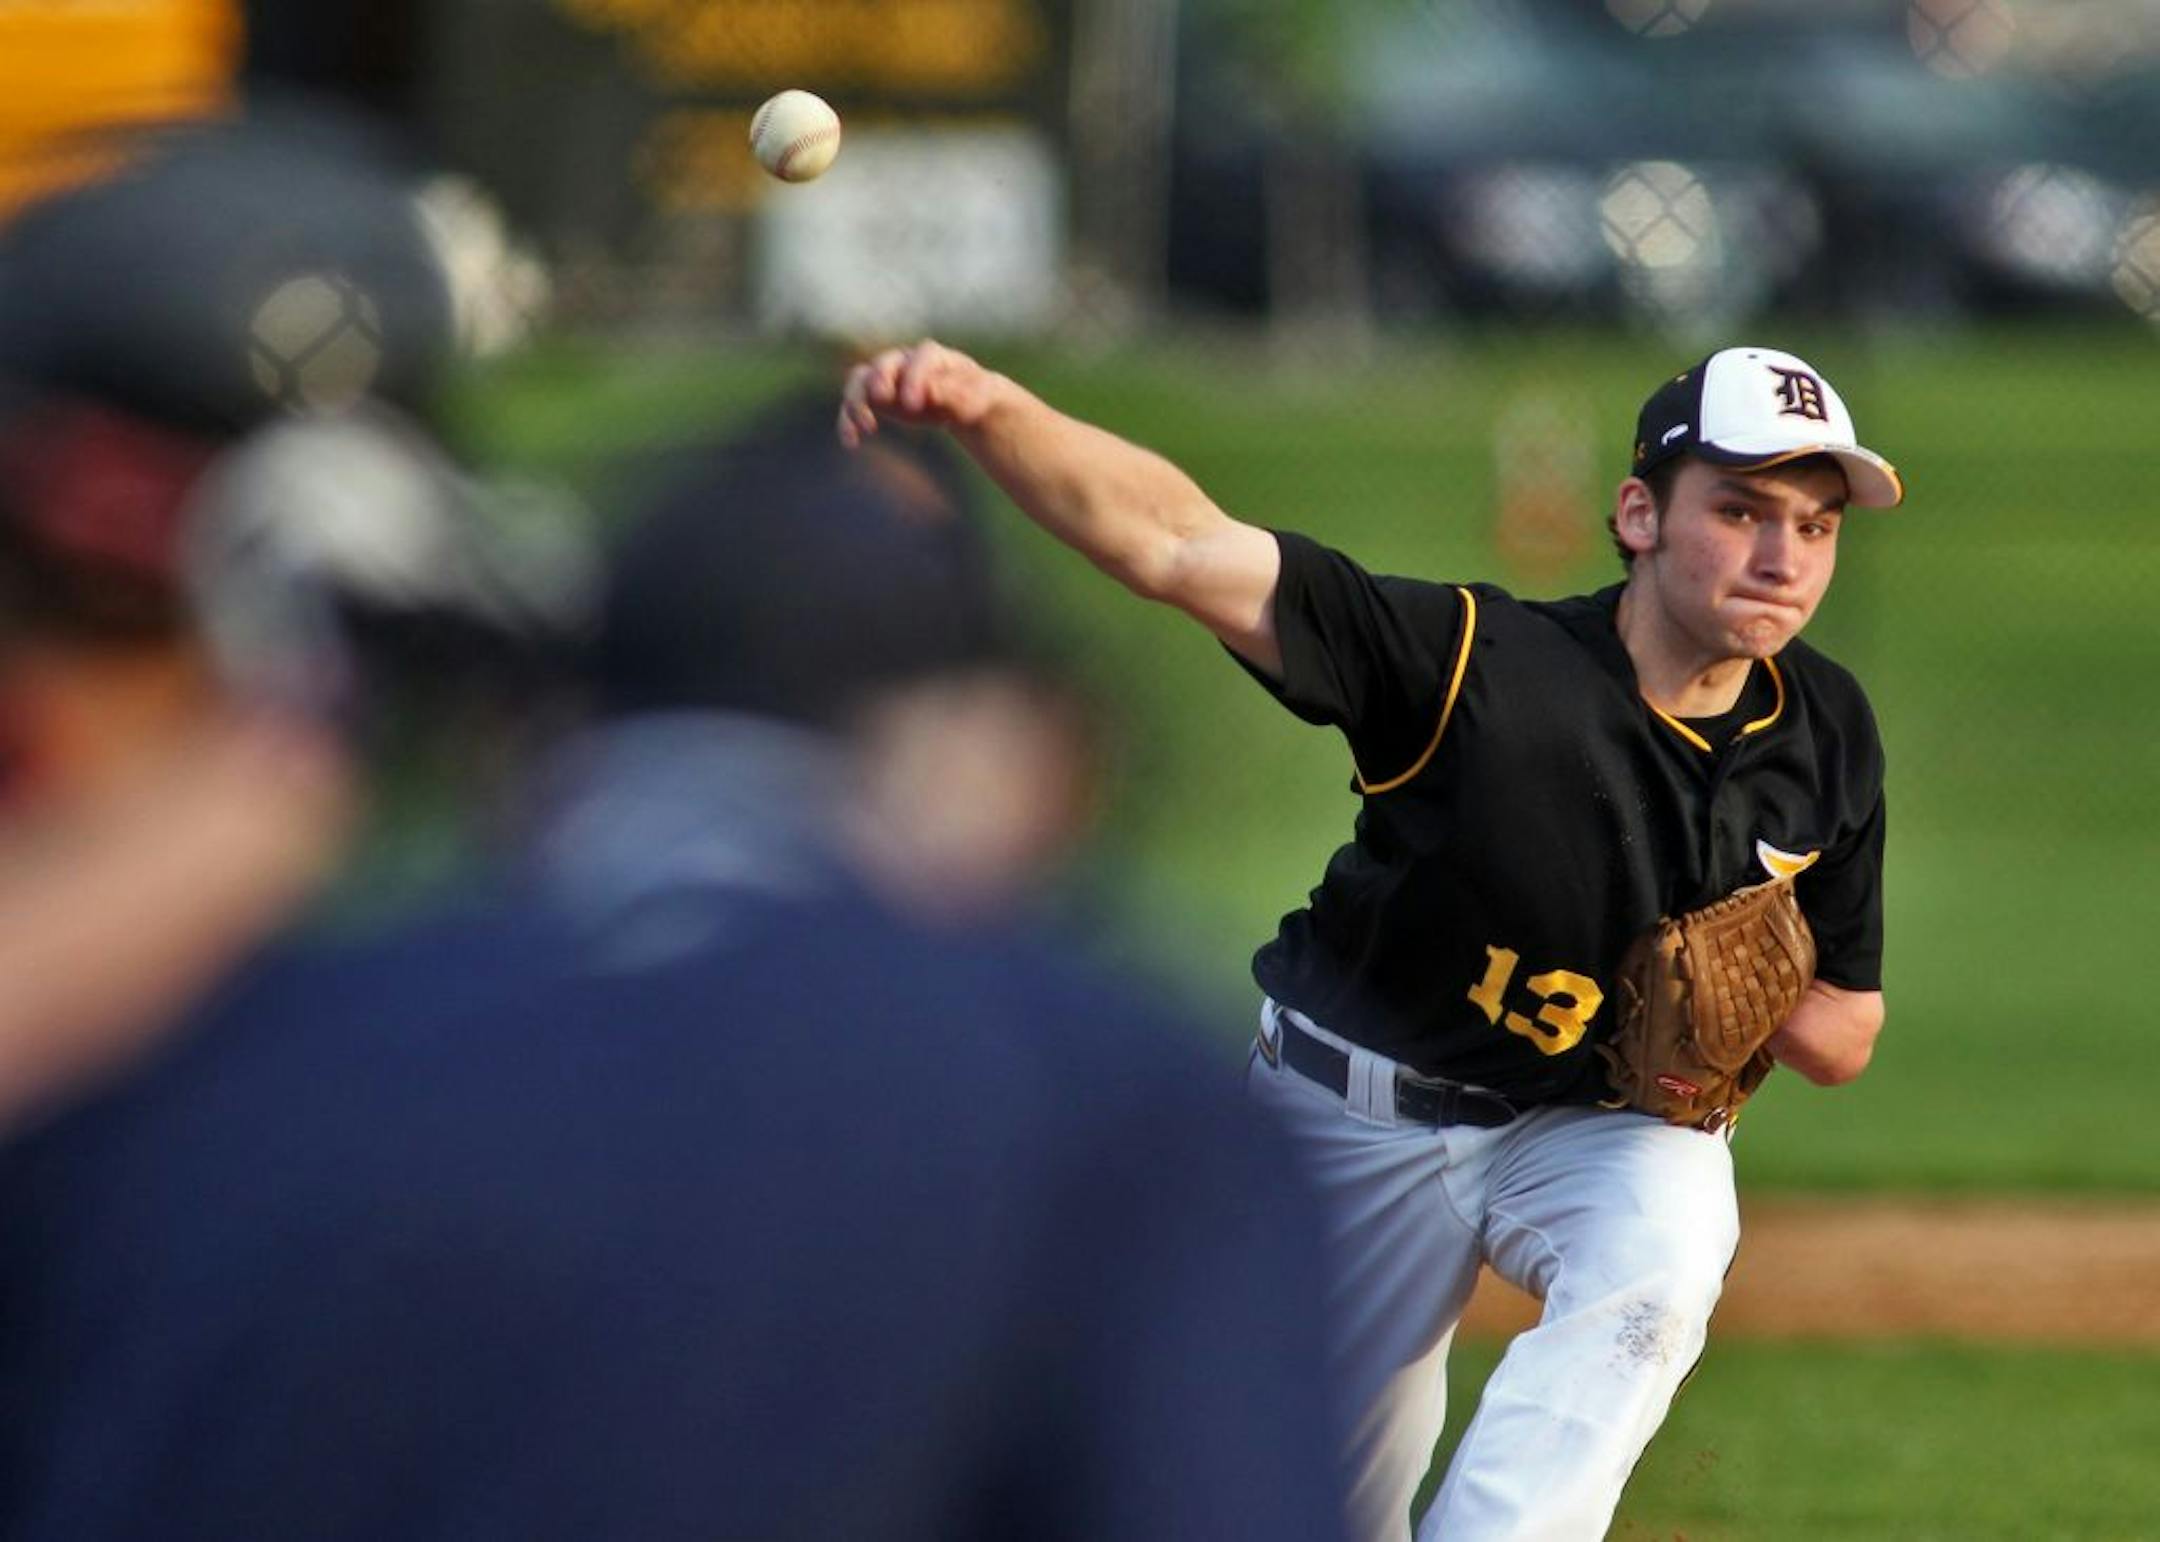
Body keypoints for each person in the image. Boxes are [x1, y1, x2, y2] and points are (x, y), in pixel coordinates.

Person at [0, 416, 1354, 1540]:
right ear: (990, 750)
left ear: (539, 735)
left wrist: (290, 745)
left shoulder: (211, 1067)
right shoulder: (1120, 1100)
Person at [839, 338, 1903, 1540]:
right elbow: (1176, 546)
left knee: (1669, 1234)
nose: (1781, 557)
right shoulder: (1471, 668)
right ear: (1640, 513)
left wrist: (1746, 1008)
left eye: (1816, 527)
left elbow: (1843, 1033)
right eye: (1742, 510)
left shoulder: (1827, 733)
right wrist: (986, 405)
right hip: (1350, 1118)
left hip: (1583, 1132)